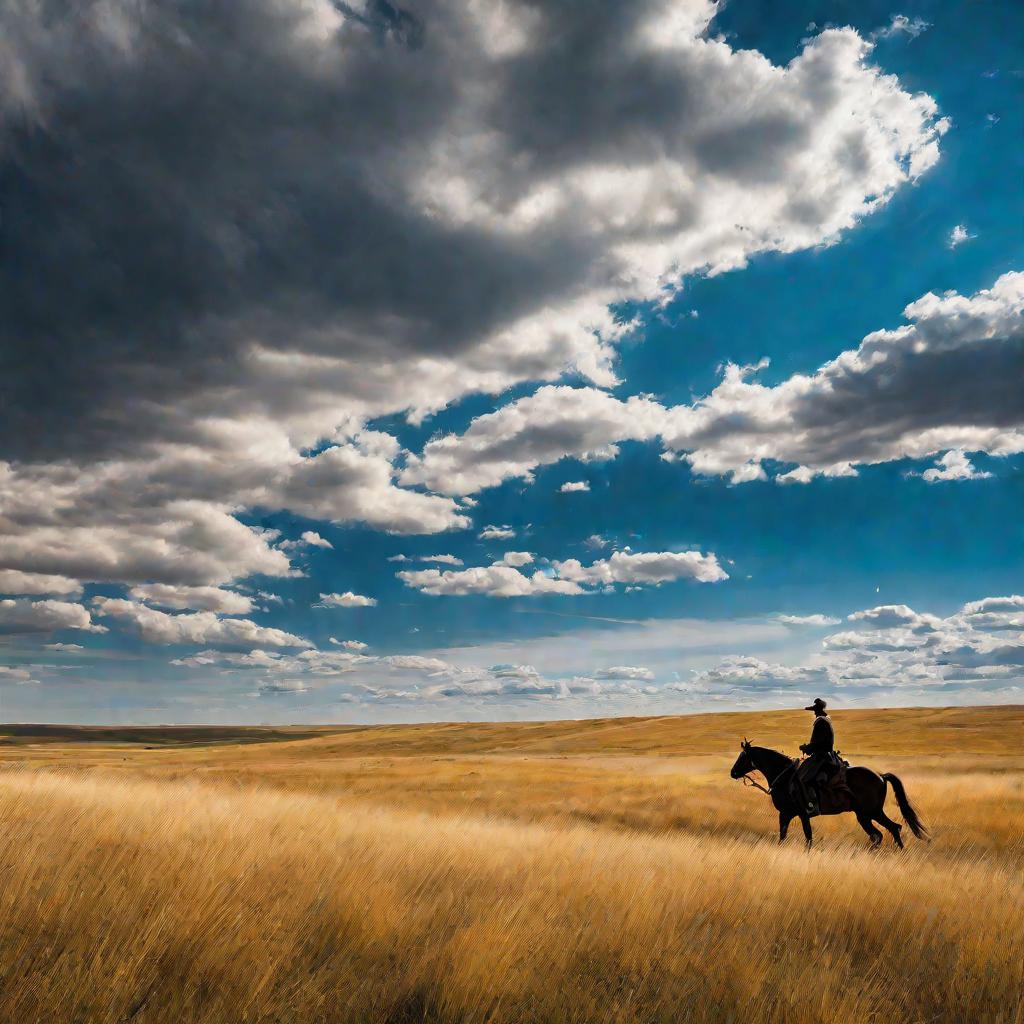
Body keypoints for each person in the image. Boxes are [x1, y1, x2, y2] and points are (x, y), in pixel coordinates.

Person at [795, 697, 836, 816]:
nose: (814, 713)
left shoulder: (821, 722)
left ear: (817, 711)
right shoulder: (826, 721)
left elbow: (817, 743)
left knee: (804, 778)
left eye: (814, 711)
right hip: (827, 754)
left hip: (822, 756)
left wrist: (806, 748)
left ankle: (812, 806)